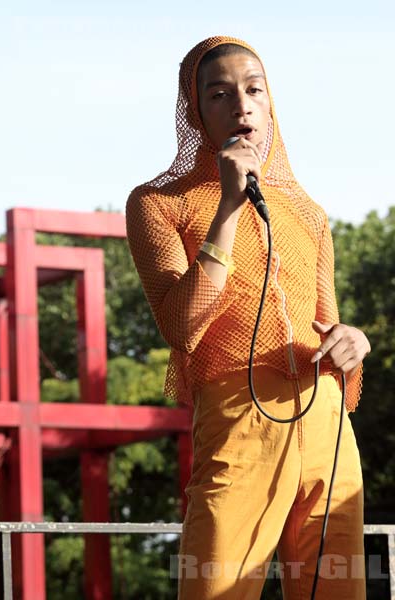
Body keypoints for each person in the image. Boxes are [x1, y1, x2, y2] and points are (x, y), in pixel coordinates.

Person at [126, 35, 370, 600]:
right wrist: (228, 210)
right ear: (195, 112)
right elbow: (180, 328)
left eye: (254, 89)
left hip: (326, 423)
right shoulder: (159, 203)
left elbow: (331, 327)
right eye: (220, 93)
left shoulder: (308, 211)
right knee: (215, 588)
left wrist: (353, 342)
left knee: (338, 588)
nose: (242, 104)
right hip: (238, 421)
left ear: (269, 103)